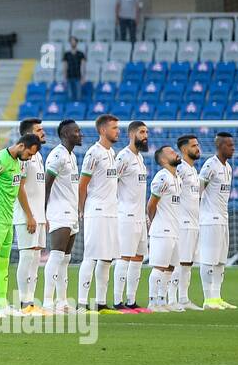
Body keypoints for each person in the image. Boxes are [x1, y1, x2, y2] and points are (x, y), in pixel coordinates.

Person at [0, 133, 42, 315]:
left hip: (8, 219)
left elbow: (17, 191)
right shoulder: (0, 160)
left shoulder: (17, 163)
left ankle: (2, 303)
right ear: (22, 146)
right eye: (30, 154)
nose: (30, 158)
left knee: (3, 262)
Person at [77, 113, 121, 311]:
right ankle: (82, 303)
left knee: (107, 257)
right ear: (103, 130)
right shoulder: (93, 153)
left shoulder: (111, 153)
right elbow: (82, 184)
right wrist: (81, 209)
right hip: (96, 210)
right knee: (91, 256)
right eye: (114, 128)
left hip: (111, 212)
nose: (117, 131)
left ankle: (100, 302)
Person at [42, 119, 83, 313]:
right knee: (57, 256)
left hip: (71, 211)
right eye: (76, 131)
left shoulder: (71, 156)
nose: (80, 134)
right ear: (66, 134)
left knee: (65, 259)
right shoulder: (57, 155)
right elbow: (46, 186)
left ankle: (62, 302)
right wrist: (43, 214)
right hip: (59, 212)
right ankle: (48, 302)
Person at [114, 120, 151, 311]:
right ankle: (117, 300)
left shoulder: (140, 159)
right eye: (142, 132)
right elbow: (112, 182)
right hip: (126, 215)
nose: (145, 136)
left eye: (146, 132)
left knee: (138, 257)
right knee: (124, 257)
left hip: (139, 217)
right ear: (131, 134)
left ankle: (131, 300)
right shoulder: (123, 157)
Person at [13, 118, 48, 314]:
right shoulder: (23, 158)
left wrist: (41, 215)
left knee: (35, 257)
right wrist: (29, 215)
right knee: (27, 256)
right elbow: (20, 187)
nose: (43, 132)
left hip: (38, 216)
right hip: (27, 216)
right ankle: (23, 301)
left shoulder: (38, 156)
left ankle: (31, 301)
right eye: (39, 130)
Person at [198, 131, 236, 309]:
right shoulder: (209, 166)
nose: (233, 148)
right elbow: (197, 191)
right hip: (210, 219)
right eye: (229, 145)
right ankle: (208, 299)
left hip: (223, 218)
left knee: (221, 261)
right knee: (209, 259)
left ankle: (217, 296)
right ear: (220, 146)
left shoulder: (228, 167)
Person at [145, 146, 184, 313]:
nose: (176, 153)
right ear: (162, 160)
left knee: (170, 267)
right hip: (162, 229)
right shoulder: (162, 177)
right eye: (170, 152)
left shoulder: (178, 179)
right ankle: (152, 302)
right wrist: (156, 222)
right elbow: (151, 204)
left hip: (175, 228)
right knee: (159, 267)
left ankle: (162, 300)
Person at [172, 134, 204, 310]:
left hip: (193, 222)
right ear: (184, 149)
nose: (198, 148)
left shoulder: (193, 170)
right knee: (179, 262)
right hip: (182, 222)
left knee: (188, 263)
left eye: (197, 145)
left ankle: (183, 298)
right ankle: (171, 299)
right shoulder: (181, 169)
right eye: (194, 146)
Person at [63, 37, 86, 102]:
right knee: (70, 95)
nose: (73, 43)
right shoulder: (66, 54)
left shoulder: (81, 54)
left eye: (74, 41)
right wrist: (64, 78)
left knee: (78, 95)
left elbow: (83, 66)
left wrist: (83, 77)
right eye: (71, 41)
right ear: (70, 43)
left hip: (78, 77)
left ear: (76, 42)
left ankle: (78, 108)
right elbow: (65, 66)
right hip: (69, 77)